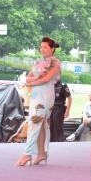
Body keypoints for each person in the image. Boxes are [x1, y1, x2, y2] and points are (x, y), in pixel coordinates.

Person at [16, 37, 61, 166]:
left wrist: (33, 82)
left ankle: (27, 153)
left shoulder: (55, 63)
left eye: (45, 47)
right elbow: (28, 78)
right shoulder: (38, 62)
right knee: (40, 125)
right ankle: (41, 153)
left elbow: (46, 79)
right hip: (35, 95)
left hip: (45, 96)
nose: (42, 49)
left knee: (34, 122)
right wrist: (36, 79)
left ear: (52, 49)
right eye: (41, 47)